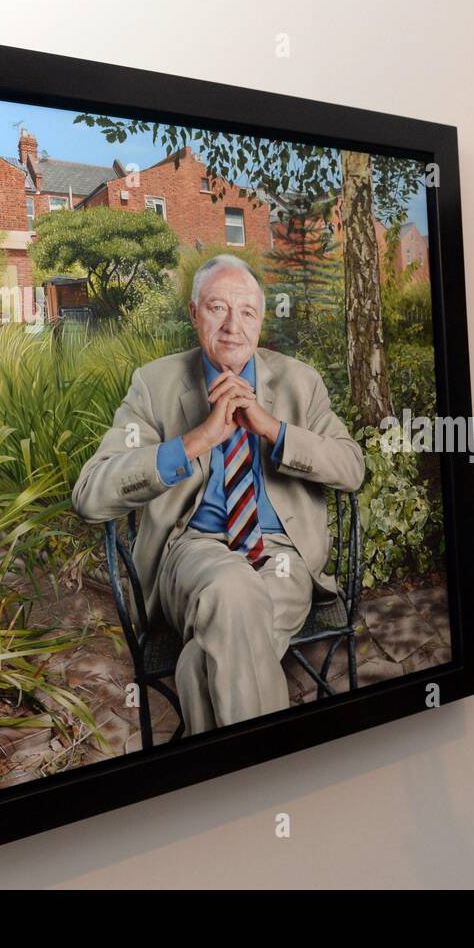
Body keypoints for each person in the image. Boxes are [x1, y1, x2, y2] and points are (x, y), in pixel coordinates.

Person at [73, 254, 365, 736]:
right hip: (193, 551)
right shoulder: (155, 385)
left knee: (206, 657)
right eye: (217, 308)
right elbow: (90, 493)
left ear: (262, 320)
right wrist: (197, 440)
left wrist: (273, 429)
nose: (233, 326)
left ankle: (208, 748)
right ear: (194, 314)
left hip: (282, 558)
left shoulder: (299, 382)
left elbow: (351, 467)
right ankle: (265, 777)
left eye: (247, 311)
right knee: (231, 586)